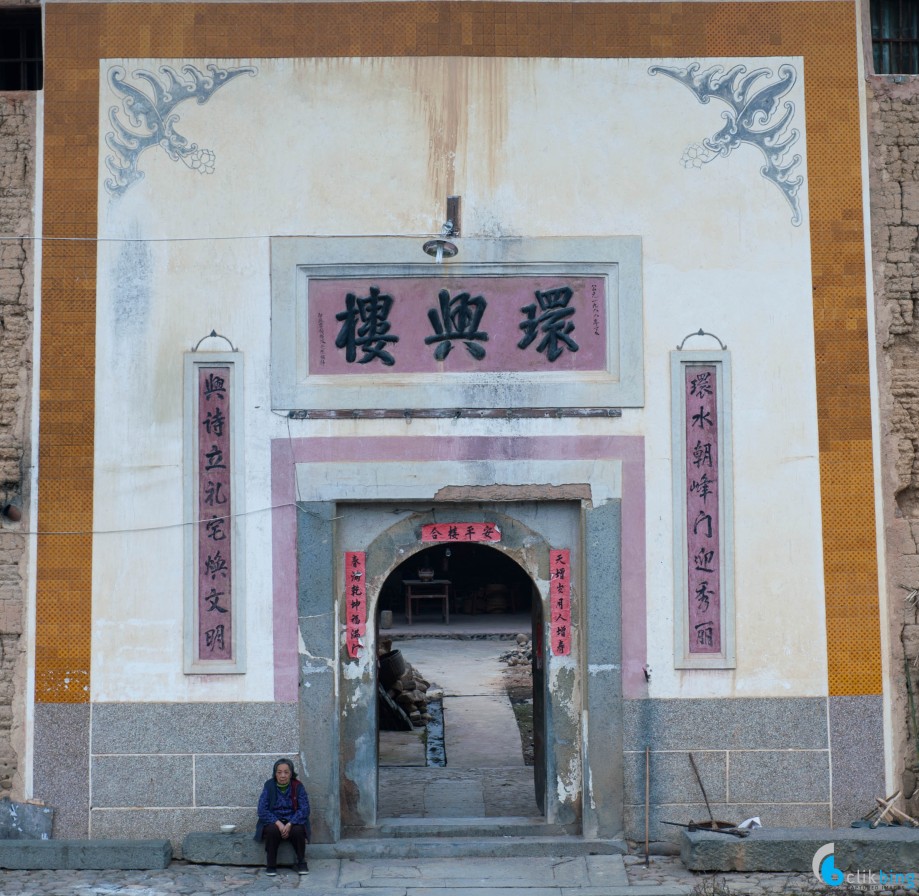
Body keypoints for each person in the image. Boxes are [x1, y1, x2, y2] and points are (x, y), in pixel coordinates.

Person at [254, 758, 311, 876]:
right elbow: (261, 810)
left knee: (298, 830)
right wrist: (278, 823)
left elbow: (305, 809)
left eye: (286, 772)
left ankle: (301, 863)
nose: (283, 775)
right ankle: (271, 865)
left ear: (291, 773)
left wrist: (290, 824)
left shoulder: (298, 786)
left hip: (292, 821)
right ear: (275, 773)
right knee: (271, 830)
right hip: (274, 821)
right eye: (279, 772)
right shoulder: (269, 785)